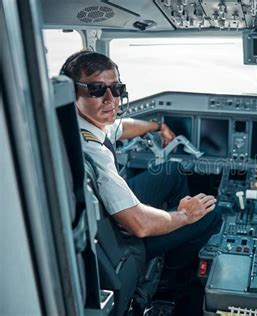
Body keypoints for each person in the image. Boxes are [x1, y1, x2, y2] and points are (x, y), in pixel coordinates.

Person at [60, 50, 221, 276]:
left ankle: (172, 236)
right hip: (119, 239)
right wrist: (185, 216)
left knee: (172, 170)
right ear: (71, 91)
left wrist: (157, 126)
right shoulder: (93, 150)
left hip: (104, 216)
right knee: (211, 214)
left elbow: (121, 127)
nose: (110, 100)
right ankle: (174, 277)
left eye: (116, 89)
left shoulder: (82, 121)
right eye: (96, 90)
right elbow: (140, 224)